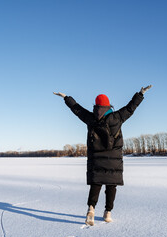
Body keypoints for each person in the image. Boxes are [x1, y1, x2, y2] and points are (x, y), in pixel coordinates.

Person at [53, 85, 152, 226]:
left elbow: (77, 109)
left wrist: (66, 98)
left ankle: (91, 210)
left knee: (96, 184)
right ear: (108, 105)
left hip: (96, 158)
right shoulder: (117, 117)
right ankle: (108, 213)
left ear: (96, 105)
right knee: (111, 185)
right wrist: (141, 93)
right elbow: (131, 108)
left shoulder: (91, 118)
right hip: (114, 160)